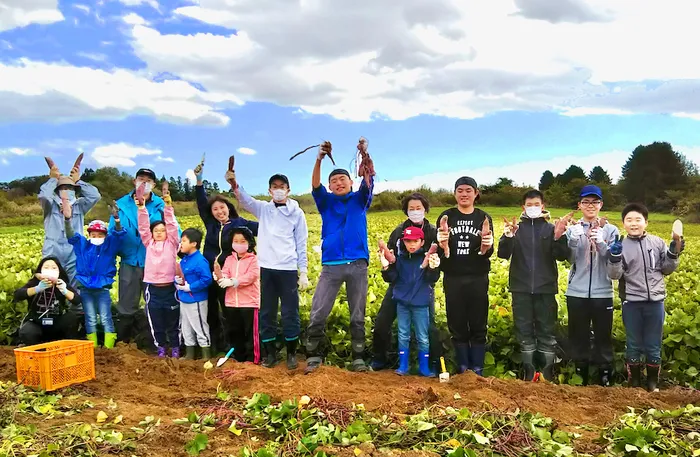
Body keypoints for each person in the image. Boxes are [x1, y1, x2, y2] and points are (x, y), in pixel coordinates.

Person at [305, 141, 375, 374]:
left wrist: (365, 155)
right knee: (318, 311)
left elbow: (368, 179)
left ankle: (358, 358)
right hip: (331, 265)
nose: (338, 183)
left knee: (358, 313)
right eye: (334, 181)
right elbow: (315, 185)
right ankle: (313, 355)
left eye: (342, 179)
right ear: (330, 186)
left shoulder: (359, 200)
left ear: (350, 183)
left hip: (357, 264)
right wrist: (319, 159)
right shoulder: (326, 202)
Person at [235, 173, 309, 370]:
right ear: (269, 191)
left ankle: (291, 353)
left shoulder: (297, 213)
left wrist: (303, 271)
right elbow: (244, 200)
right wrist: (234, 182)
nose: (278, 189)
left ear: (288, 190)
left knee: (289, 312)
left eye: (282, 186)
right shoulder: (264, 209)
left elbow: (301, 243)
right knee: (267, 312)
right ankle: (270, 354)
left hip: (287, 268)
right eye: (274, 186)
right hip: (266, 268)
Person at [607, 203, 683, 392]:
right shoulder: (620, 245)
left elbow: (667, 269)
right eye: (629, 220)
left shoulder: (657, 243)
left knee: (653, 343)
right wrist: (615, 257)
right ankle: (634, 383)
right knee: (633, 343)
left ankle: (652, 383)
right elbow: (615, 275)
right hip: (631, 301)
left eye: (638, 220)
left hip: (656, 302)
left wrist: (673, 252)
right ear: (623, 224)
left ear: (646, 222)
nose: (634, 224)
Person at [497, 190, 570, 381]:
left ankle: (547, 373)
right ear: (523, 207)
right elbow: (503, 254)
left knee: (547, 330)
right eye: (529, 205)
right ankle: (529, 373)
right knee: (524, 331)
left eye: (536, 204)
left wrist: (559, 237)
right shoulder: (516, 229)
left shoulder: (550, 228)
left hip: (545, 288)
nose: (533, 208)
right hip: (520, 288)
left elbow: (561, 256)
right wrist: (508, 237)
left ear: (543, 206)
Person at [371, 192, 442, 373]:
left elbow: (438, 263)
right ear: (406, 211)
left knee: (429, 328)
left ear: (425, 209)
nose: (415, 211)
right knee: (382, 323)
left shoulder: (432, 232)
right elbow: (391, 259)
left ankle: (432, 364)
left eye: (419, 208)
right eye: (411, 208)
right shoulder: (398, 231)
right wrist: (387, 268)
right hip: (399, 286)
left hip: (421, 287)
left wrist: (432, 269)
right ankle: (380, 359)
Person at [108, 168, 179, 345]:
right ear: (134, 181)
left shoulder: (161, 205)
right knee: (126, 304)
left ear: (153, 185)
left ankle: (153, 343)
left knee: (153, 305)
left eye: (148, 181)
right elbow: (111, 234)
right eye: (141, 179)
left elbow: (174, 230)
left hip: (156, 265)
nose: (144, 183)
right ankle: (124, 343)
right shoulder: (121, 205)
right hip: (129, 261)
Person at [194, 160, 258, 355]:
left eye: (222, 208)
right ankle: (215, 346)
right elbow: (201, 202)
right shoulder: (211, 225)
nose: (219, 211)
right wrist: (198, 181)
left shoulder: (240, 223)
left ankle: (233, 347)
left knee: (228, 311)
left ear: (228, 207)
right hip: (208, 273)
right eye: (215, 209)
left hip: (227, 275)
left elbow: (265, 228)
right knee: (210, 311)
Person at [436, 177, 494, 376]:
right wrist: (441, 241)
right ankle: (462, 367)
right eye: (460, 190)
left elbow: (488, 250)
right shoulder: (447, 216)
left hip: (478, 277)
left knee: (478, 322)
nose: (464, 194)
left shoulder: (483, 217)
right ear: (454, 194)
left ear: (476, 193)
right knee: (457, 322)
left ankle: (477, 368)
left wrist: (487, 245)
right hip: (453, 277)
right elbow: (441, 249)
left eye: (468, 190)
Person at [565, 185, 620, 386]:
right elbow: (569, 259)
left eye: (595, 202)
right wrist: (572, 240)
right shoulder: (573, 229)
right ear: (579, 205)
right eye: (586, 202)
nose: (591, 206)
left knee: (603, 335)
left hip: (602, 292)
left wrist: (602, 243)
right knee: (578, 335)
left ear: (601, 204)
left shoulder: (611, 229)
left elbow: (613, 259)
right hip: (576, 292)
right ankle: (581, 373)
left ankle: (605, 374)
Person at [64, 198, 126, 349]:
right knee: (90, 318)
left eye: (100, 235)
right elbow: (71, 235)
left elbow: (119, 234)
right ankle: (93, 347)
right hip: (85, 289)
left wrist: (117, 219)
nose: (96, 238)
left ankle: (109, 348)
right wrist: (67, 219)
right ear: (89, 235)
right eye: (93, 235)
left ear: (105, 235)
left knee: (105, 317)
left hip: (102, 289)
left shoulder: (109, 246)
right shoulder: (82, 245)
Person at [380, 226, 441, 377]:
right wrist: (386, 266)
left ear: (422, 242)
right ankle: (403, 366)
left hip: (421, 304)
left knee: (422, 336)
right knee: (403, 334)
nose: (411, 244)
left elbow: (432, 279)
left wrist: (433, 268)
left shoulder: (427, 258)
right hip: (402, 303)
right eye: (408, 241)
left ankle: (424, 368)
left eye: (415, 241)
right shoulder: (400, 260)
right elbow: (392, 278)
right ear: (403, 242)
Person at [39, 157, 101, 288]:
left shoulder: (80, 206)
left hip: (74, 249)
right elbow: (44, 195)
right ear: (56, 190)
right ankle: (52, 307)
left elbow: (95, 196)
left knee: (74, 281)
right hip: (53, 247)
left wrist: (78, 180)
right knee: (50, 279)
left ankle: (75, 308)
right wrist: (53, 179)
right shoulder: (50, 205)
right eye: (63, 187)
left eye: (70, 187)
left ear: (75, 190)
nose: (66, 190)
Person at [137, 183, 180, 358]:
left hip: (170, 287)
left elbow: (172, 225)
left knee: (173, 320)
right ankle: (161, 347)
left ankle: (176, 347)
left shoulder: (172, 243)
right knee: (156, 320)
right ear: (152, 233)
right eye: (157, 230)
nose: (160, 232)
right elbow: (143, 227)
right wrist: (141, 208)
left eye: (163, 230)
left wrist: (168, 206)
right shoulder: (149, 243)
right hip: (152, 288)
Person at [216, 227, 261, 364]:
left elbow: (252, 276)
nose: (239, 244)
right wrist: (220, 277)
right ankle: (238, 358)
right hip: (231, 302)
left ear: (249, 242)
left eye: (242, 241)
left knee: (250, 333)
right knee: (235, 331)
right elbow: (225, 273)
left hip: (249, 302)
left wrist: (234, 281)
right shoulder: (229, 259)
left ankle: (253, 359)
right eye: (235, 241)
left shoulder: (254, 259)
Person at [13, 257, 82, 345]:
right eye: (46, 267)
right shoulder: (35, 282)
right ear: (41, 270)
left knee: (71, 318)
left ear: (59, 271)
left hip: (57, 322)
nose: (50, 270)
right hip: (37, 322)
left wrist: (65, 291)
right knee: (28, 332)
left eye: (54, 268)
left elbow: (77, 300)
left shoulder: (61, 283)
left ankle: (66, 346)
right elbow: (17, 295)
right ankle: (36, 349)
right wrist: (37, 289)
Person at [176, 228, 213, 360]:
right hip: (184, 298)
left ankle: (206, 355)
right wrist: (179, 281)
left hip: (196, 299)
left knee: (199, 326)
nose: (181, 244)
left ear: (194, 243)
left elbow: (207, 279)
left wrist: (191, 287)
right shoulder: (185, 260)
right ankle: (189, 354)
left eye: (184, 241)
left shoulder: (200, 261)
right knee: (186, 326)